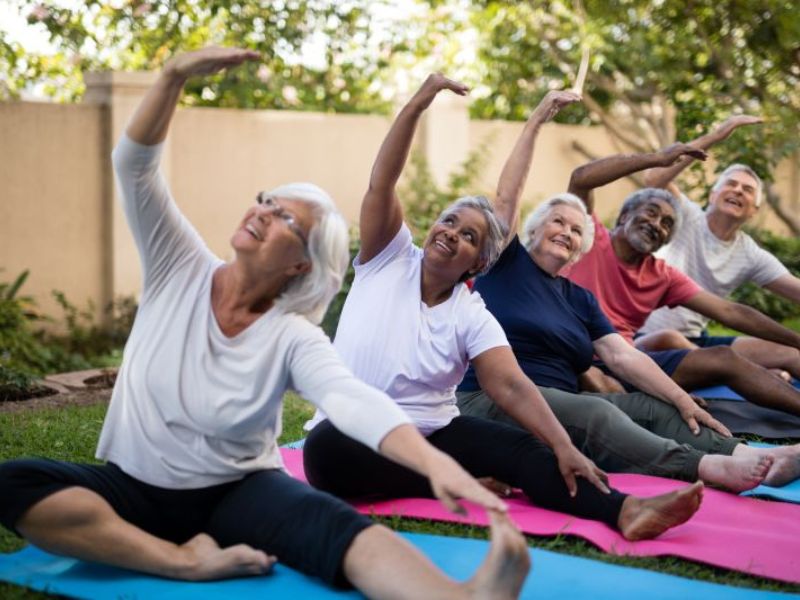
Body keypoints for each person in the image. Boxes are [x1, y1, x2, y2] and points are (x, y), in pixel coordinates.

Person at [0, 47, 536, 599]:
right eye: (265, 201)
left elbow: (351, 399)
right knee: (15, 481)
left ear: (302, 263)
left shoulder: (290, 335)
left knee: (340, 531)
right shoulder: (177, 266)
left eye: (284, 218)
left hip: (238, 491)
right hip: (135, 485)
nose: (260, 211)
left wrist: (433, 463)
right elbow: (133, 166)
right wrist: (172, 75)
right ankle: (182, 561)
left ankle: (463, 596)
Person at [303, 75, 705, 542]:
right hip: (352, 437)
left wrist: (560, 444)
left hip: (432, 432)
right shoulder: (387, 259)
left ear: (481, 261)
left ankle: (623, 509)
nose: (451, 232)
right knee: (325, 450)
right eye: (449, 220)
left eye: (469, 235)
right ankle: (452, 481)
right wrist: (418, 103)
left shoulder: (472, 313)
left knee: (523, 447)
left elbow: (512, 386)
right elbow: (383, 180)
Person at [456, 188, 798, 489]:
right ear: (534, 227)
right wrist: (536, 121)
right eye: (557, 222)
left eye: (576, 230)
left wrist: (682, 399)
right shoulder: (507, 262)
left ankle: (749, 453)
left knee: (655, 407)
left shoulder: (581, 299)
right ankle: (707, 466)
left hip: (561, 400)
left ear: (581, 247)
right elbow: (507, 196)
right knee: (594, 412)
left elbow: (624, 356)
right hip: (493, 399)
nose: (566, 232)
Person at [562, 144, 800, 419]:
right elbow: (581, 178)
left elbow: (731, 312)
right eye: (651, 213)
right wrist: (656, 159)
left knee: (724, 358)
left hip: (627, 363)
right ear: (625, 215)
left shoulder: (662, 274)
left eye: (666, 224)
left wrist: (796, 341)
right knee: (609, 388)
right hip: (579, 357)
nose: (657, 224)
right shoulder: (591, 238)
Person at [635, 116, 800, 381]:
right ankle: (756, 374)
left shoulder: (749, 253)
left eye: (747, 190)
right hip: (644, 338)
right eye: (731, 184)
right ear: (713, 195)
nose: (737, 190)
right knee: (670, 338)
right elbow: (653, 179)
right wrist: (715, 136)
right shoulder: (685, 215)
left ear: (754, 210)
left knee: (793, 353)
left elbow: (795, 289)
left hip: (697, 341)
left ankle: (752, 372)